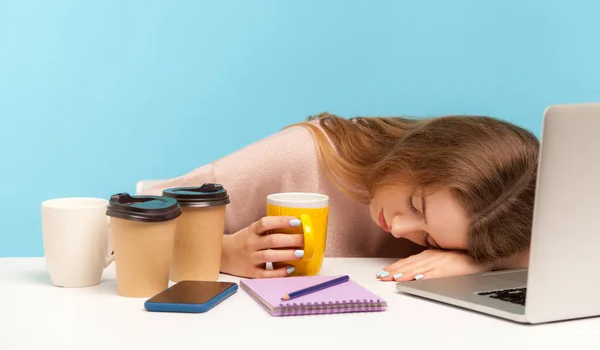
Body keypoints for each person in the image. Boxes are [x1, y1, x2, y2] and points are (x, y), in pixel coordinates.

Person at [141, 112, 539, 282]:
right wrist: (221, 253)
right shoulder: (303, 154)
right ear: (423, 151)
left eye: (430, 239)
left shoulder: (479, 224)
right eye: (416, 206)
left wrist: (479, 263)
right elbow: (130, 223)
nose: (399, 227)